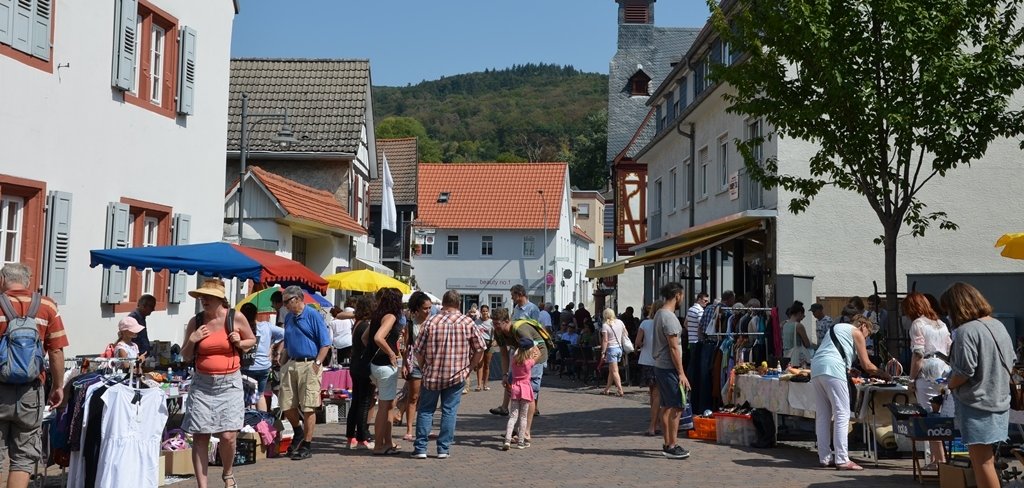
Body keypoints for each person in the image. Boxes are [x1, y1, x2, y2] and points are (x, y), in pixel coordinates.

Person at [180, 279, 256, 488]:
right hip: (202, 385)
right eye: (202, 297)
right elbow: (185, 356)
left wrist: (239, 342)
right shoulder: (196, 322)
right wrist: (193, 339)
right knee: (200, 436)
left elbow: (252, 340)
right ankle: (202, 486)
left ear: (220, 299)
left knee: (228, 435)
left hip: (229, 383)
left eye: (209, 297)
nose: (204, 300)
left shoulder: (235, 317)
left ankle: (228, 473)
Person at [0, 263, 68, 488]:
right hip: (31, 391)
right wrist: (58, 386)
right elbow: (57, 351)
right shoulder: (47, 305)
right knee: (23, 457)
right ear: (27, 281)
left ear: (2, 280)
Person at [942, 282, 1014, 488]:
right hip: (998, 399)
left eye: (948, 311)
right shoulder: (997, 325)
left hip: (977, 403)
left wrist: (949, 384)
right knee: (987, 460)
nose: (948, 316)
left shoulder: (967, 331)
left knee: (982, 461)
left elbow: (964, 371)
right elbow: (1011, 359)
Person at [412, 290, 485, 459]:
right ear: (458, 304)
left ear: (443, 304)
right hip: (457, 373)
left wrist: (424, 367)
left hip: (432, 373)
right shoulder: (467, 322)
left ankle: (421, 448)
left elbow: (418, 351)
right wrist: (470, 367)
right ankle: (443, 449)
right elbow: (480, 348)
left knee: (426, 410)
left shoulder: (431, 322)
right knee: (449, 411)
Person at [810, 314, 888, 471]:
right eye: (868, 335)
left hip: (817, 368)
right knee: (842, 413)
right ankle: (842, 459)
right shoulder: (857, 332)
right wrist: (884, 373)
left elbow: (833, 351)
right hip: (833, 369)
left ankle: (825, 457)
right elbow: (867, 365)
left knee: (823, 415)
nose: (866, 339)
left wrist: (847, 369)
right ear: (863, 326)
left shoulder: (837, 328)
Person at [278, 285, 332, 461]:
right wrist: (282, 362)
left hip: (309, 364)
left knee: (308, 406)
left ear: (298, 299)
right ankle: (298, 431)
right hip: (292, 363)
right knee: (286, 404)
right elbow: (287, 343)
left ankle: (307, 445)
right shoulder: (288, 318)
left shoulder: (313, 315)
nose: (285, 305)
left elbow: (325, 343)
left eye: (287, 301)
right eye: (283, 302)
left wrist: (317, 363)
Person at [903, 292, 953, 469]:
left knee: (929, 416)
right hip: (944, 370)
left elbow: (918, 353)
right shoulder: (941, 323)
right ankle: (940, 458)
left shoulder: (918, 324)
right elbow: (949, 348)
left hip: (927, 370)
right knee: (941, 414)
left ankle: (937, 460)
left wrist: (911, 380)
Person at [651, 282, 691, 460]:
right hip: (669, 367)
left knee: (666, 406)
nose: (682, 298)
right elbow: (674, 347)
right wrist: (681, 373)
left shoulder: (659, 313)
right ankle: (672, 445)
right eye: (682, 296)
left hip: (661, 366)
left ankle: (668, 443)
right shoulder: (669, 318)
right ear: (677, 295)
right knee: (676, 406)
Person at [363, 287, 403, 455]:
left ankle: (388, 442)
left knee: (388, 406)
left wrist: (372, 351)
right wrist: (391, 353)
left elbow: (365, 338)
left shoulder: (376, 316)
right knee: (385, 406)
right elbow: (378, 337)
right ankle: (379, 445)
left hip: (374, 365)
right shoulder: (391, 316)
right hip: (385, 366)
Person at [238, 303, 284, 412]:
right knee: (260, 395)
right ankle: (261, 422)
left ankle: (246, 422)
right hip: (263, 366)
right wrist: (273, 346)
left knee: (244, 396)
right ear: (256, 314)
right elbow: (284, 333)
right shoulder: (266, 326)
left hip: (246, 367)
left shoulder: (240, 328)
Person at [399, 291, 432, 442]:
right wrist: (404, 364)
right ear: (417, 309)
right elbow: (406, 346)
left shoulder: (433, 323)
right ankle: (409, 429)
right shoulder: (411, 324)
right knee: (413, 397)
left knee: (428, 398)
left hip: (431, 365)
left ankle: (426, 428)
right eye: (425, 308)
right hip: (416, 364)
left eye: (429, 308)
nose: (428, 311)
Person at [346, 295, 376, 450]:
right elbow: (368, 344)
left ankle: (350, 436)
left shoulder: (357, 323)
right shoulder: (365, 325)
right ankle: (362, 437)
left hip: (355, 365)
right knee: (364, 402)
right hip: (363, 366)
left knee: (356, 402)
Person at [502, 338, 538, 450]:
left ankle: (507, 440)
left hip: (515, 388)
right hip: (525, 389)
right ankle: (521, 441)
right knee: (523, 417)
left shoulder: (514, 360)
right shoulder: (529, 362)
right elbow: (537, 356)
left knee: (513, 416)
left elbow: (517, 352)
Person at [635, 301, 663, 437]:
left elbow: (637, 343)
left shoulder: (645, 323)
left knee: (652, 393)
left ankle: (655, 422)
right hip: (658, 361)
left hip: (646, 360)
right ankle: (653, 425)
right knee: (657, 394)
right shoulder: (662, 323)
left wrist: (644, 344)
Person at [600, 308, 627, 396]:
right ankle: (607, 389)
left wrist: (603, 352)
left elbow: (605, 340)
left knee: (615, 371)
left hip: (611, 349)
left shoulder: (605, 325)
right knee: (611, 370)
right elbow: (625, 333)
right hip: (619, 348)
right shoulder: (620, 322)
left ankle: (620, 389)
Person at [782, 301, 813, 367]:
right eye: (802, 315)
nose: (803, 318)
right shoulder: (798, 326)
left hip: (786, 356)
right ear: (799, 313)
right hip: (796, 358)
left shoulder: (785, 325)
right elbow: (807, 344)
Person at [474, 305, 494, 391]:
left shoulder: (491, 322)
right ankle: (479, 385)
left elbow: (495, 333)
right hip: (480, 344)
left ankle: (485, 384)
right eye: (483, 311)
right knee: (480, 364)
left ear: (488, 312)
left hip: (489, 343)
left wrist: (494, 341)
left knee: (487, 364)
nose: (485, 313)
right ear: (480, 312)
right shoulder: (477, 322)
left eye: (486, 311)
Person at [330, 301, 355, 365]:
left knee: (339, 364)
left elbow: (330, 337)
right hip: (348, 343)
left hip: (337, 345)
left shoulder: (332, 323)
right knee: (348, 363)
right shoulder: (348, 319)